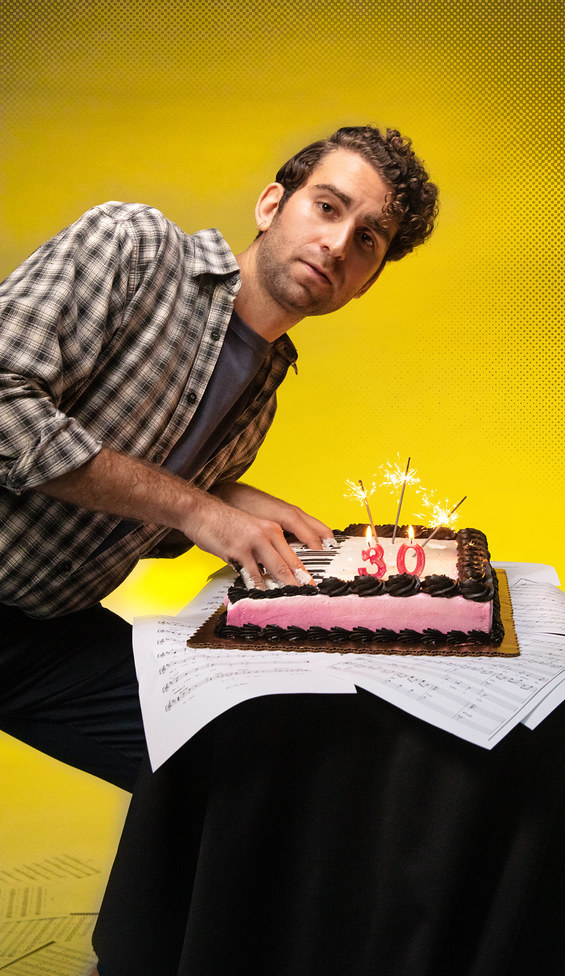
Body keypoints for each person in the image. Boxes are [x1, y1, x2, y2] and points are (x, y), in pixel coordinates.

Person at [0, 124, 438, 793]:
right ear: (270, 206)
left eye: (367, 240)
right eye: (326, 206)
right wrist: (200, 506)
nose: (336, 243)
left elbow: (138, 516)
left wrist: (236, 499)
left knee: (245, 767)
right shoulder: (132, 246)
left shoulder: (262, 393)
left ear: (364, 285)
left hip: (42, 632)